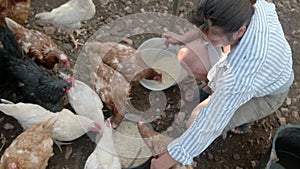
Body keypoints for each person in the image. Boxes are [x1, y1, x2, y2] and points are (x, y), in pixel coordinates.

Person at [150, 0, 294, 168]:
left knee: (195, 119)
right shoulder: (243, 8)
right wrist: (182, 39)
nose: (205, 40)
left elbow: (209, 124)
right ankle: (215, 90)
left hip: (268, 93)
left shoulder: (242, 74)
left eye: (213, 39)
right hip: (246, 65)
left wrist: (167, 159)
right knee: (187, 56)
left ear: (240, 31)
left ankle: (242, 123)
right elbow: (209, 23)